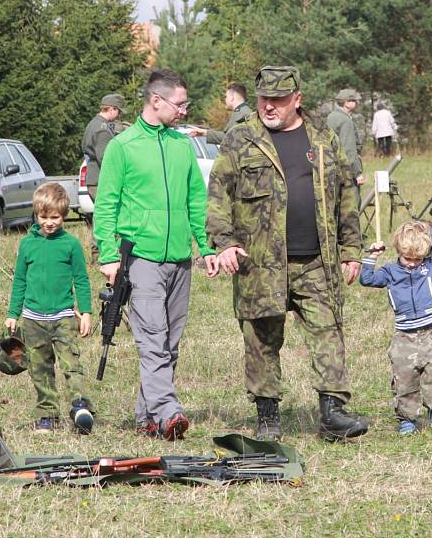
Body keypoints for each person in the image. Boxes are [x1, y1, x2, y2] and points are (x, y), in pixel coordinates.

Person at [205, 65, 368, 442]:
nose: (269, 107)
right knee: (261, 337)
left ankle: (333, 413)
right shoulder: (241, 138)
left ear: (297, 100)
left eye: (278, 100)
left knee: (328, 331)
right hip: (260, 262)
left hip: (317, 260)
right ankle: (267, 415)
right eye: (264, 99)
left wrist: (352, 249)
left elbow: (345, 194)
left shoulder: (323, 136)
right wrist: (225, 242)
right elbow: (217, 196)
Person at [93, 69, 218, 441]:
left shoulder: (182, 146)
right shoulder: (123, 146)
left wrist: (206, 248)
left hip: (180, 258)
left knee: (170, 343)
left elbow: (196, 201)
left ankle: (146, 416)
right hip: (141, 259)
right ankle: (168, 413)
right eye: (180, 104)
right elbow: (106, 205)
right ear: (156, 101)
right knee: (152, 339)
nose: (184, 111)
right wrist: (108, 255)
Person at [4, 182, 95, 434]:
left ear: (64, 215)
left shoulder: (71, 245)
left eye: (55, 217)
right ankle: (47, 414)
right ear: (36, 214)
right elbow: (19, 281)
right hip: (32, 319)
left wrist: (85, 311)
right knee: (40, 368)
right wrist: (13, 314)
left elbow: (81, 279)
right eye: (44, 217)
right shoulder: (27, 244)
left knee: (71, 364)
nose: (49, 222)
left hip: (64, 317)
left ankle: (80, 407)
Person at [360, 222, 432, 435]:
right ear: (398, 251)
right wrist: (372, 256)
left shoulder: (430, 263)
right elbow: (367, 279)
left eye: (417, 259)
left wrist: (422, 229)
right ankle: (407, 418)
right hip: (404, 337)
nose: (412, 264)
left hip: (431, 333)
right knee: (405, 378)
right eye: (407, 258)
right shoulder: (390, 271)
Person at [82, 93, 125, 262]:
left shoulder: (93, 124)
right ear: (112, 109)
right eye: (119, 111)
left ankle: (97, 255)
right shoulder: (102, 129)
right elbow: (106, 159)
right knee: (106, 218)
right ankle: (100, 255)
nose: (119, 115)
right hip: (101, 180)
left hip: (94, 178)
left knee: (101, 216)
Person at [327, 89, 364, 206]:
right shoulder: (345, 120)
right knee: (352, 205)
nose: (356, 103)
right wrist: (357, 173)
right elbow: (349, 149)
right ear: (346, 103)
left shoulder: (331, 116)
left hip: (332, 168)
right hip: (346, 171)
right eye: (353, 100)